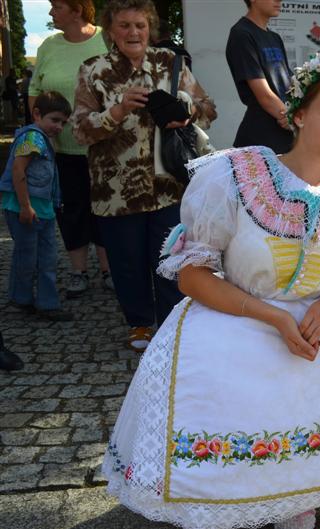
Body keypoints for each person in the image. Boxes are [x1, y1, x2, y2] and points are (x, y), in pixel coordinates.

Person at [102, 40, 320, 529]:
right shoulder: (234, 175)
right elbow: (192, 276)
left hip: (317, 343)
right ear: (299, 114)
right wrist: (273, 316)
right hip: (237, 327)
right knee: (227, 473)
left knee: (301, 472)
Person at [72, 0, 217, 352]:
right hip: (115, 190)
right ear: (110, 30)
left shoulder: (170, 63)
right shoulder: (93, 70)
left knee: (170, 260)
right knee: (127, 264)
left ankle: (171, 325)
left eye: (140, 25)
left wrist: (186, 111)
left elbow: (208, 109)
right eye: (124, 25)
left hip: (169, 185)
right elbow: (79, 130)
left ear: (150, 28)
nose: (133, 32)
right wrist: (117, 111)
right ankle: (138, 323)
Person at [29, 0, 111, 299]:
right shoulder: (49, 46)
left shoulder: (106, 39)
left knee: (105, 209)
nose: (51, 13)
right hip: (62, 148)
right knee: (71, 210)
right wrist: (41, 131)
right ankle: (79, 272)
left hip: (105, 148)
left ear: (77, 10)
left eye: (57, 7)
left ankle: (109, 270)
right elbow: (34, 91)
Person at [0, 91, 74, 322]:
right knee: (27, 257)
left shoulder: (44, 139)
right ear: (37, 114)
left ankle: (47, 303)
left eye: (63, 122)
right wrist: (25, 206)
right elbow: (18, 170)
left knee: (47, 257)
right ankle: (20, 300)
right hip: (24, 209)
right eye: (55, 120)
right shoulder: (32, 138)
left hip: (44, 210)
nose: (59, 127)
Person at [226, 0, 293, 152]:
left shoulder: (275, 37)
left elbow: (288, 84)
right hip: (260, 139)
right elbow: (264, 95)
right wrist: (291, 118)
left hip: (285, 134)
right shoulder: (242, 33)